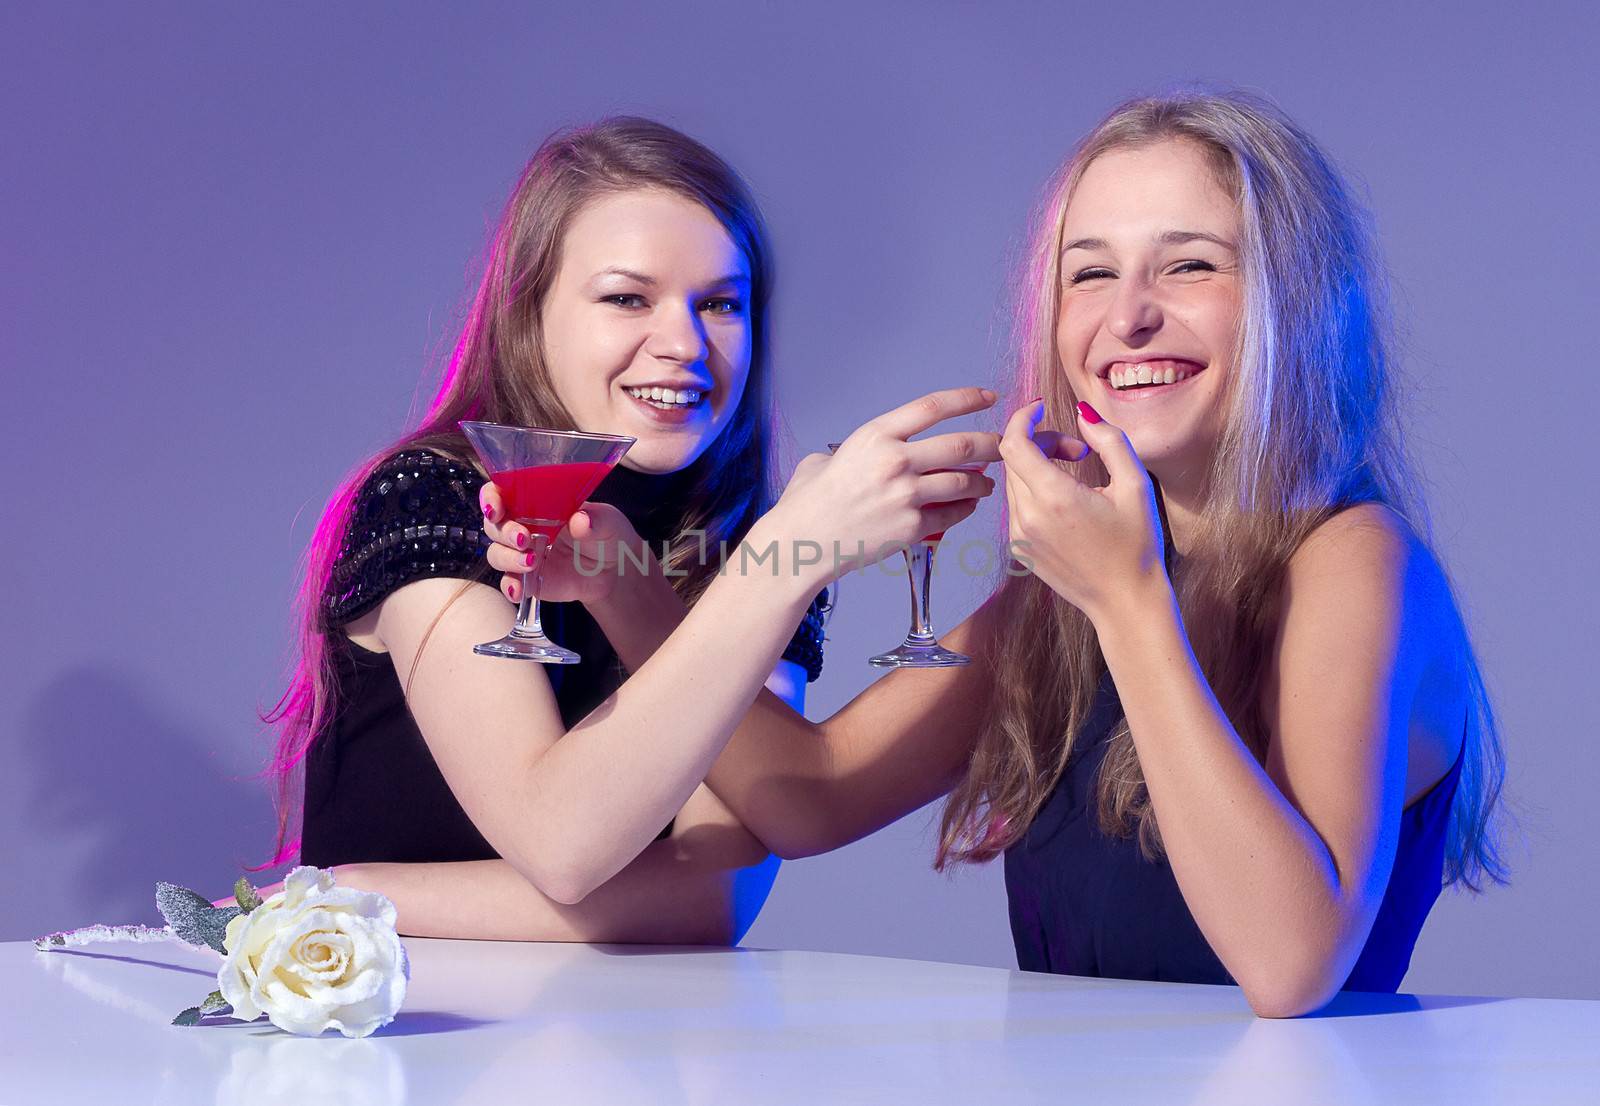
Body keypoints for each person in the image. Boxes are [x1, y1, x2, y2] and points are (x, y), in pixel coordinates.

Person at [486, 91, 1508, 1015]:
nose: (1127, 314)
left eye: (1189, 264)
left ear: (1298, 300)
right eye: (1090, 272)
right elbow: (810, 794)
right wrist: (618, 582)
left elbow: (1290, 965)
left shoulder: (1351, 561)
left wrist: (1126, 601)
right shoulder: (1076, 584)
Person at [261, 116, 1000, 945]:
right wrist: (784, 564)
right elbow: (562, 842)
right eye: (626, 298)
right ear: (528, 313)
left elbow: (713, 895)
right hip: (384, 1041)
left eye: (721, 304)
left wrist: (364, 895)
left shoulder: (751, 538)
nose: (684, 344)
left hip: (619, 1053)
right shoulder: (439, 497)